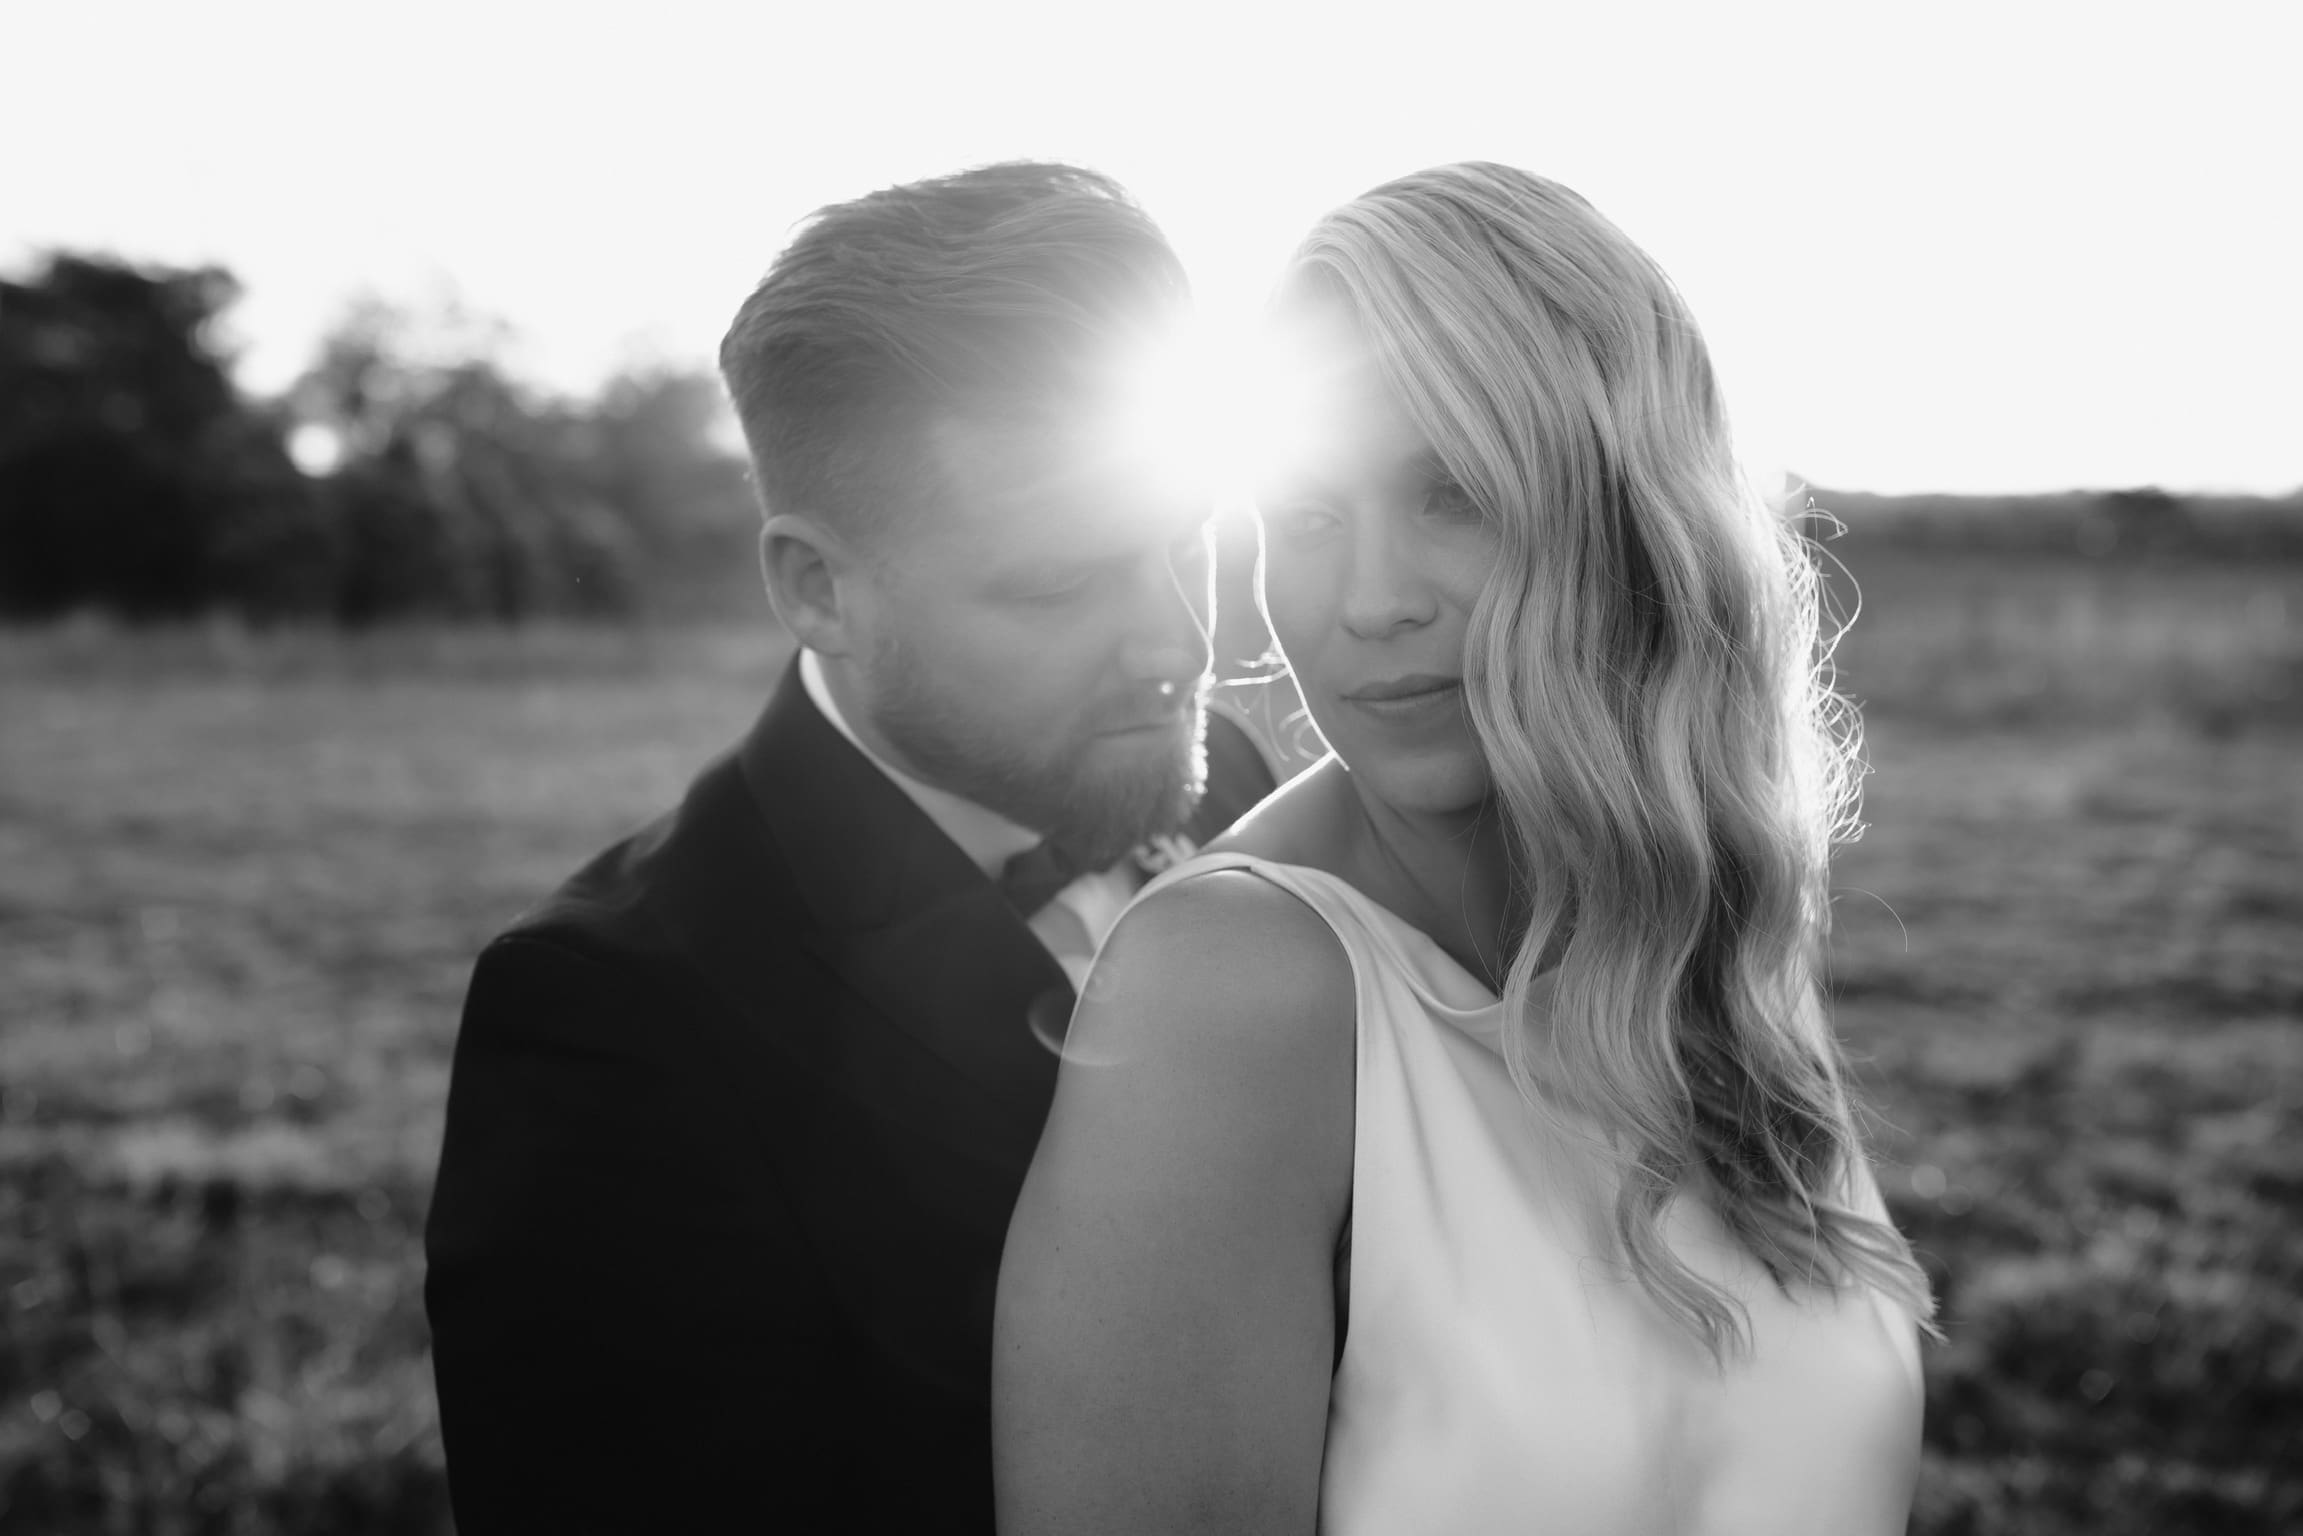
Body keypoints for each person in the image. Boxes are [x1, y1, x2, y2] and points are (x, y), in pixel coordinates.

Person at [994, 162, 1936, 1534]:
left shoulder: (1703, 909)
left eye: (1452, 494)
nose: (1369, 601)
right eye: (1307, 518)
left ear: (1629, 517)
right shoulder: (1232, 990)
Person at [423, 161, 1276, 1534]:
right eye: (1059, 583)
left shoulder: (1238, 781)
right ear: (817, 587)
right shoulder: (612, 1024)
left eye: (1190, 545)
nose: (1177, 645)